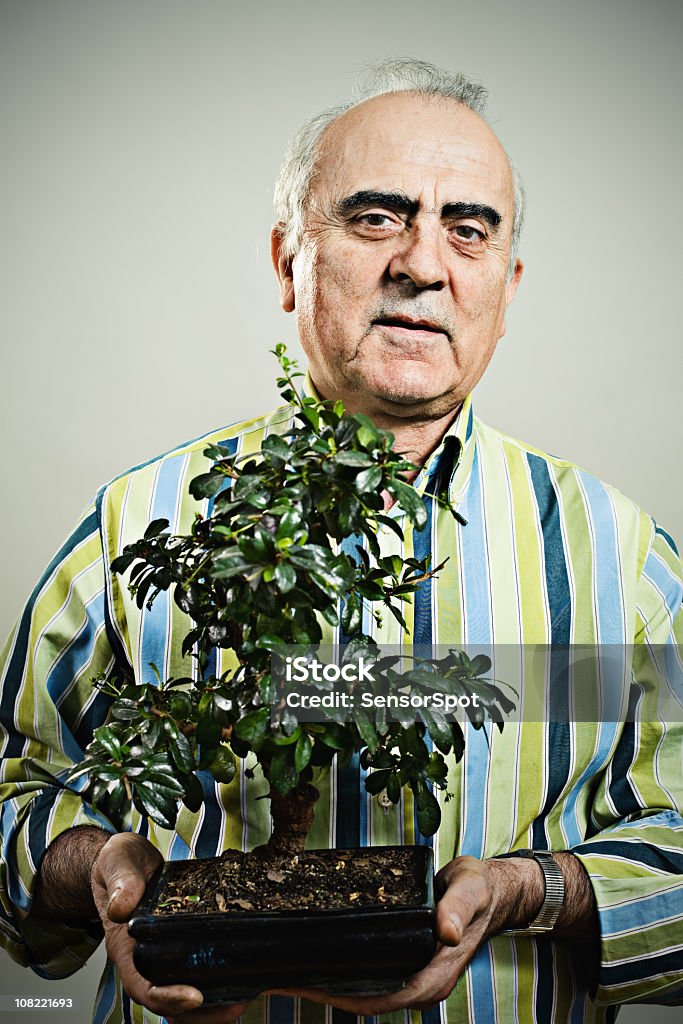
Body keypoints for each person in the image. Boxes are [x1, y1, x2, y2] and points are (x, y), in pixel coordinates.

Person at [1, 59, 681, 1024]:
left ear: (506, 285)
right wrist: (94, 866)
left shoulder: (618, 557)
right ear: (289, 260)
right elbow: (13, 792)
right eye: (375, 217)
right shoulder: (138, 524)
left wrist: (536, 889)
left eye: (468, 228)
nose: (421, 261)